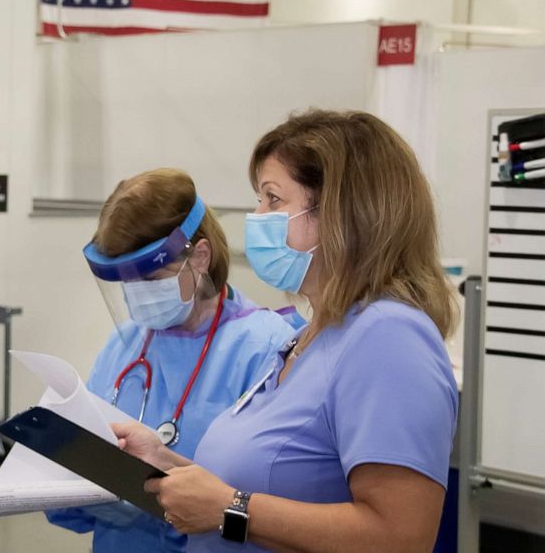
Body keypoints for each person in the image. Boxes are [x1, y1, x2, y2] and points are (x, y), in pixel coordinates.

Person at [114, 110, 459, 552]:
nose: (257, 217)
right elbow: (284, 485)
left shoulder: (388, 336)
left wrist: (228, 509)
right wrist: (166, 466)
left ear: (342, 213)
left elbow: (400, 537)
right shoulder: (315, 334)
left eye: (273, 200)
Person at [46, 168, 301, 552]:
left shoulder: (266, 347)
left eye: (150, 279)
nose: (138, 295)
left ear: (199, 257)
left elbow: (277, 505)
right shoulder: (126, 345)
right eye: (127, 283)